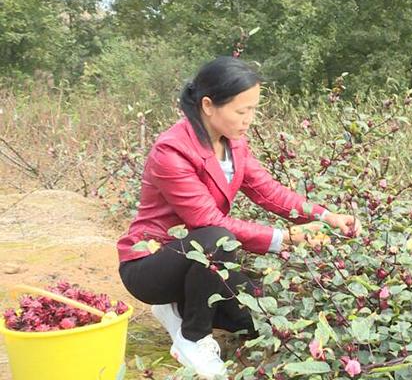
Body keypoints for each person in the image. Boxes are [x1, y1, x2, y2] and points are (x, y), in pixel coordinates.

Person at [116, 56, 362, 379]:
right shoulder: (171, 152)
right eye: (241, 111)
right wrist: (284, 239)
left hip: (196, 259)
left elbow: (270, 192)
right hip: (150, 264)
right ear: (208, 105)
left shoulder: (234, 145)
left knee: (255, 314)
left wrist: (327, 216)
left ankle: (176, 306)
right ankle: (192, 339)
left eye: (253, 110)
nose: (249, 119)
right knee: (219, 238)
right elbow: (208, 220)